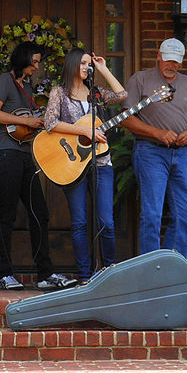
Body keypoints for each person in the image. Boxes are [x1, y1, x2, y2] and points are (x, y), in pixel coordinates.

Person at [0, 40, 76, 291]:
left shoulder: (27, 86)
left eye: (38, 62)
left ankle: (44, 274)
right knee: (6, 214)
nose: (37, 66)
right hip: (6, 153)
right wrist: (19, 119)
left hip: (25, 154)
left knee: (40, 212)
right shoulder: (5, 80)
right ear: (23, 59)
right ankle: (3, 274)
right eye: (34, 62)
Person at [43, 48, 127, 284]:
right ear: (71, 65)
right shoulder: (59, 93)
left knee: (106, 222)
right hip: (73, 164)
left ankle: (109, 273)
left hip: (101, 162)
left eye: (89, 64)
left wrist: (103, 69)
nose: (86, 67)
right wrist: (84, 130)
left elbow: (122, 96)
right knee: (79, 222)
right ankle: (84, 277)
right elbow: (50, 123)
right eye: (82, 63)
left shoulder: (96, 93)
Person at [121, 38, 187, 258]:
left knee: (185, 214)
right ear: (158, 56)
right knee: (152, 214)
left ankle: (173, 266)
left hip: (180, 154)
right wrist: (157, 133)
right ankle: (151, 269)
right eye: (168, 60)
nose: (172, 65)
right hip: (150, 151)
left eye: (176, 62)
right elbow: (126, 119)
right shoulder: (141, 79)